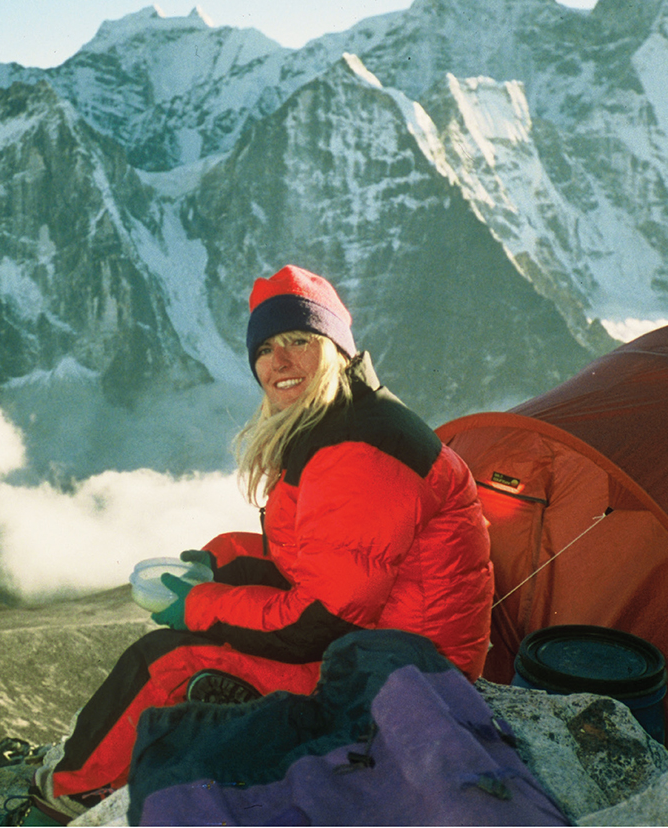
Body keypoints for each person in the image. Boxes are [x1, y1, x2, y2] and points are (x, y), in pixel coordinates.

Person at [31, 265, 493, 822]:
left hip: (399, 680)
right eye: (267, 347)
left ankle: (68, 794)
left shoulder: (359, 450)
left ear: (337, 349)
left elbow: (320, 620)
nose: (280, 361)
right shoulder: (342, 421)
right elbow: (316, 552)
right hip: (386, 644)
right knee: (216, 602)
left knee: (164, 660)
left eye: (300, 340)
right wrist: (223, 562)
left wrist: (201, 606)